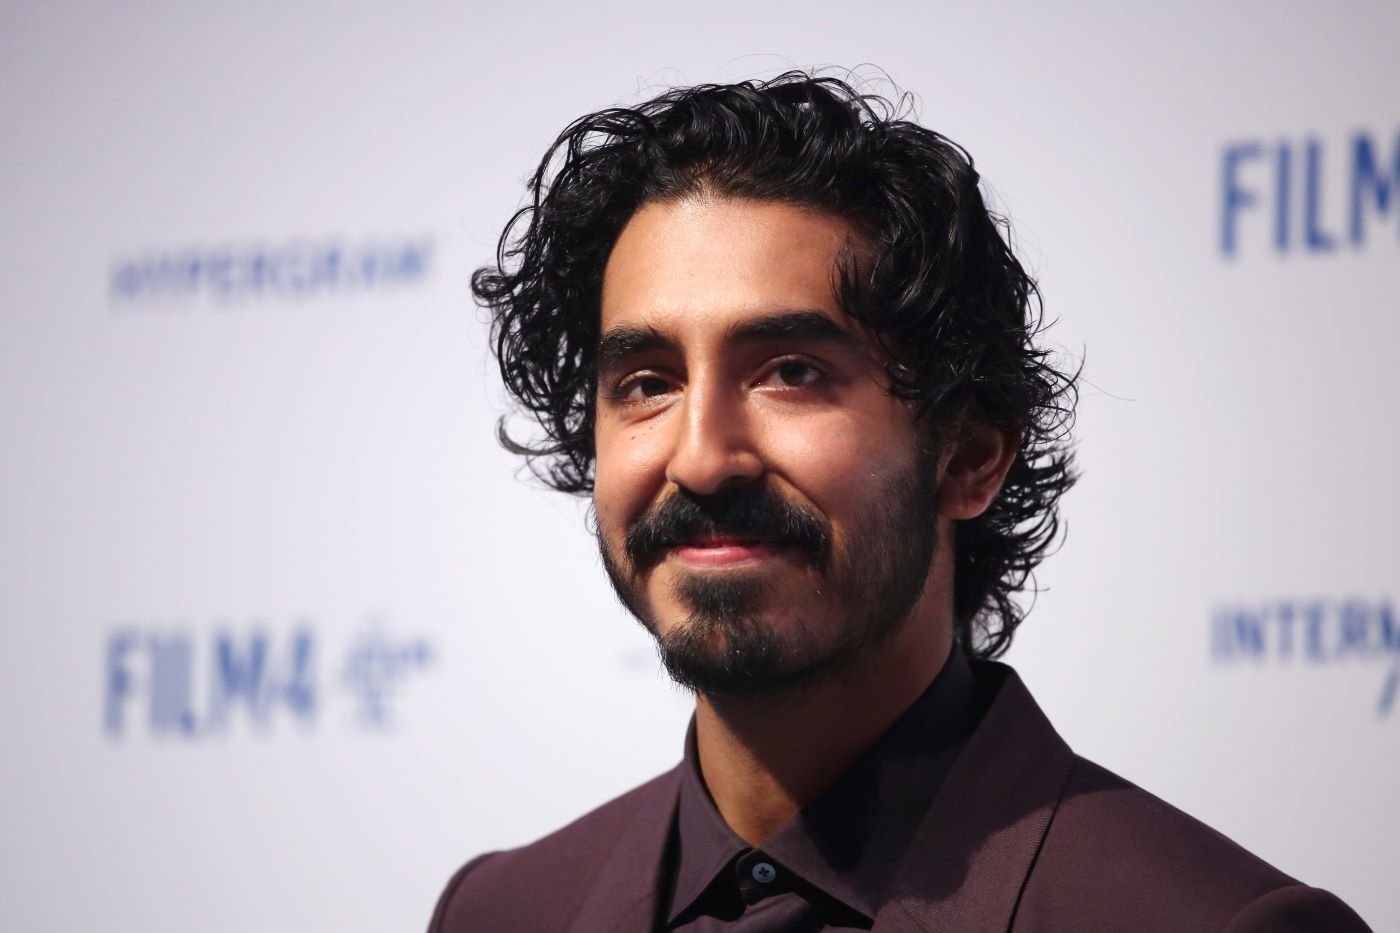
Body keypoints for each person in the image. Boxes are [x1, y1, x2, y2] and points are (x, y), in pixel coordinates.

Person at [429, 71, 1369, 932]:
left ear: (968, 452)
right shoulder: (503, 909)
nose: (703, 457)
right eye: (644, 382)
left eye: (790, 372)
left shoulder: (1216, 923)